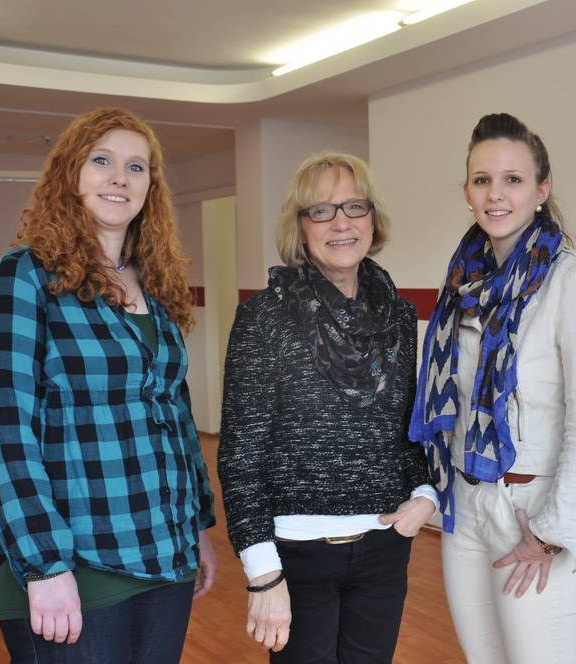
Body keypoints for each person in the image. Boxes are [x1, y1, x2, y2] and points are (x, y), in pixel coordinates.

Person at [0, 107, 217, 663]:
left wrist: (198, 525)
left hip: (163, 554)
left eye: (137, 167)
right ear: (70, 175)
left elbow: (174, 415)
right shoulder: (26, 275)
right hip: (75, 563)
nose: (119, 178)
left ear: (150, 187)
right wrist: (44, 565)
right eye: (102, 161)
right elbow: (5, 431)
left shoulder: (154, 286)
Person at [410, 112, 576, 663]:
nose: (496, 195)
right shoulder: (462, 285)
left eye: (513, 179)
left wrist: (553, 530)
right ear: (467, 191)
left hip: (537, 512)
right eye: (483, 180)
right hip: (468, 506)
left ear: (542, 190)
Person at [218, 151, 434, 663]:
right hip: (297, 554)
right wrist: (262, 573)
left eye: (354, 207)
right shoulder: (264, 318)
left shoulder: (398, 316)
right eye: (322, 210)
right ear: (301, 226)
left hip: (384, 545)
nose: (341, 223)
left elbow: (408, 427)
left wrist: (425, 495)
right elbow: (240, 455)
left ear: (372, 219)